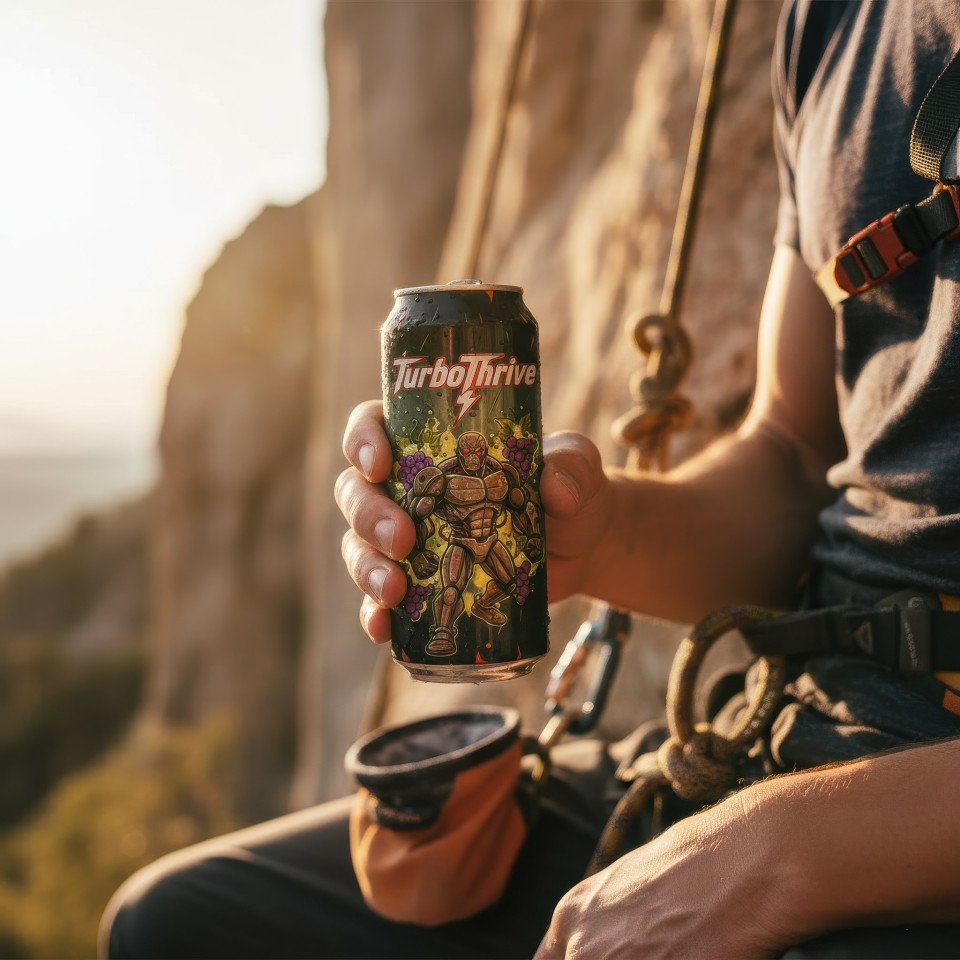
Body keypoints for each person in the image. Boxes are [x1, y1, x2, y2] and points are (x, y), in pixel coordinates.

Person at [101, 2, 960, 957]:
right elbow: (794, 460)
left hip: (897, 826)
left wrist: (778, 854)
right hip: (788, 732)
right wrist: (595, 536)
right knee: (181, 923)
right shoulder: (837, 25)